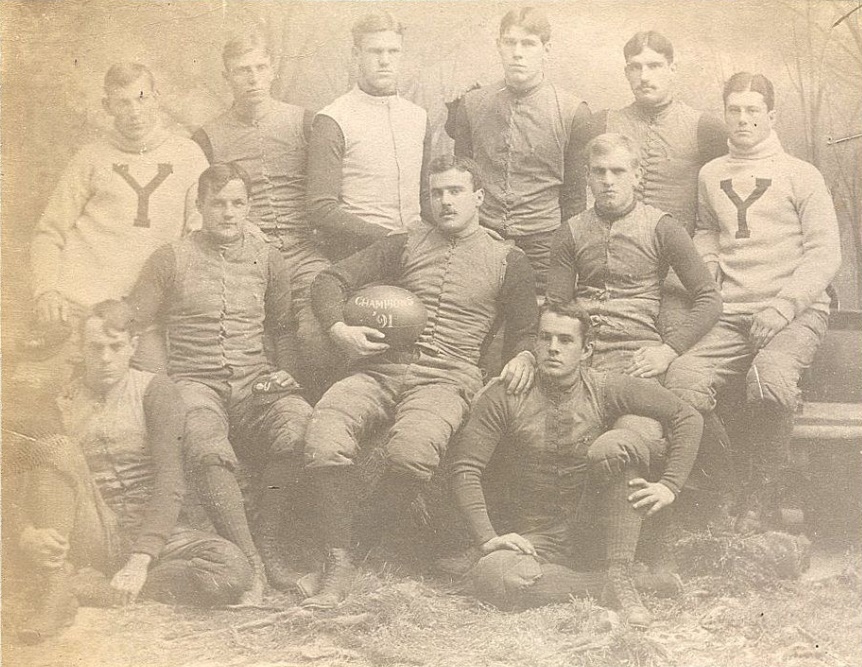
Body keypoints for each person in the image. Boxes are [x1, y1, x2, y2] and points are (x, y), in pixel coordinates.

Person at [300, 155, 539, 610]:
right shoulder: (406, 242)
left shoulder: (508, 258)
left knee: (412, 453)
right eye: (437, 193)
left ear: (479, 197)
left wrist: (524, 355)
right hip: (381, 367)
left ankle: (354, 550)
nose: (446, 201)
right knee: (325, 432)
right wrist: (340, 331)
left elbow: (526, 327)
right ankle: (337, 557)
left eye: (456, 191)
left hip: (448, 377)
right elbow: (330, 280)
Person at [13, 300, 253, 644]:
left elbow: (170, 481)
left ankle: (95, 587)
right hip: (95, 526)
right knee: (56, 450)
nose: (106, 358)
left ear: (133, 347)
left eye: (116, 347)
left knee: (230, 568)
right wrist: (26, 532)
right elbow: (18, 472)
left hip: (153, 527)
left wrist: (140, 560)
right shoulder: (62, 398)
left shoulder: (155, 390)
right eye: (96, 347)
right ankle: (57, 586)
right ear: (81, 349)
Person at [128, 162, 313, 604]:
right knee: (205, 444)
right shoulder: (171, 257)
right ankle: (250, 563)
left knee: (299, 423)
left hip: (255, 380)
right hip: (195, 381)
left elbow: (283, 325)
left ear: (249, 206)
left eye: (238, 203)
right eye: (218, 204)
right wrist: (162, 379)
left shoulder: (268, 257)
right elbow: (139, 321)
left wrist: (284, 370)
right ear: (200, 206)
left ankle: (268, 547)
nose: (229, 213)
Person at [450, 302, 701, 627]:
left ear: (587, 350)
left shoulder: (605, 387)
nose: (553, 348)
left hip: (598, 528)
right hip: (537, 537)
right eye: (545, 338)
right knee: (491, 575)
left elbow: (687, 416)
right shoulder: (506, 395)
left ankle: (620, 571)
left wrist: (670, 486)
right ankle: (619, 584)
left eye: (566, 340)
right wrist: (487, 537)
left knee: (616, 443)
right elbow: (465, 468)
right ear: (535, 343)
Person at [664, 72, 842, 528]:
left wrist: (783, 306)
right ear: (725, 114)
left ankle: (763, 495)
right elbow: (707, 229)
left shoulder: (801, 175)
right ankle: (726, 486)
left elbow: (825, 254)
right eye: (734, 110)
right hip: (731, 312)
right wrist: (709, 266)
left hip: (794, 311)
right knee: (682, 379)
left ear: (771, 116)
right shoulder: (711, 174)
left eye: (752, 111)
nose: (742, 120)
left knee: (770, 379)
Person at [25, 62, 207, 389]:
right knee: (45, 399)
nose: (134, 111)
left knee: (156, 396)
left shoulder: (188, 155)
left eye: (141, 99)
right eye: (123, 102)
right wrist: (46, 290)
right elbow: (48, 233)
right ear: (107, 106)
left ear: (157, 97)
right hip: (79, 308)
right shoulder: (90, 157)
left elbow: (197, 238)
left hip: (142, 317)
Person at [192, 33, 333, 396]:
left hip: (302, 252)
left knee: (317, 333)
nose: (253, 78)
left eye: (260, 67)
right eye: (242, 71)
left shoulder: (306, 122)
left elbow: (325, 194)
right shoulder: (207, 137)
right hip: (245, 255)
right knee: (245, 343)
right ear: (226, 77)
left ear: (272, 70)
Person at [573, 31, 727, 339]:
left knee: (676, 344)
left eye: (655, 65)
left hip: (677, 274)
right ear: (626, 72)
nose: (645, 76)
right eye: (635, 67)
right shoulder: (600, 123)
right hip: (613, 271)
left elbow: (724, 209)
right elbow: (575, 197)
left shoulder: (704, 127)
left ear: (673, 69)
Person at [446, 7, 590, 293]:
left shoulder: (573, 112)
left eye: (528, 43)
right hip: (481, 234)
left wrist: (564, 254)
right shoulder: (473, 104)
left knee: (538, 324)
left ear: (546, 49)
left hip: (544, 241)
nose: (518, 53)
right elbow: (461, 182)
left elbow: (574, 197)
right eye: (510, 42)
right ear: (498, 46)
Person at [306, 10, 431, 260]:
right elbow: (321, 208)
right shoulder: (333, 119)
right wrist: (389, 239)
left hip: (417, 251)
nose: (385, 60)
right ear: (356, 55)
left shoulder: (418, 117)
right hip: (358, 252)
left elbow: (425, 196)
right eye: (375, 51)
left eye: (393, 51)